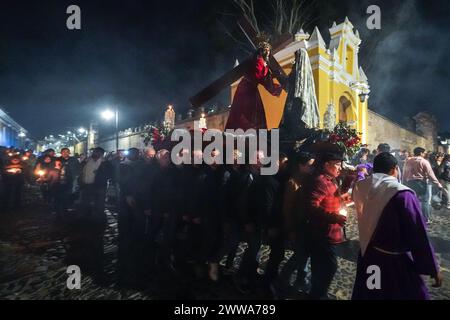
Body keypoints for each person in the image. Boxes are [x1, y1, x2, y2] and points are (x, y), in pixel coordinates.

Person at [352, 152, 442, 299]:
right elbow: (417, 233)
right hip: (394, 262)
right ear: (394, 169)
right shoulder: (402, 194)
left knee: (372, 291)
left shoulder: (360, 186)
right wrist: (432, 267)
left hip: (370, 256)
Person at [302, 151, 348, 299]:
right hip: (322, 232)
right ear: (326, 165)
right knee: (329, 267)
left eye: (341, 164)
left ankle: (317, 294)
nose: (340, 168)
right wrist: (333, 217)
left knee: (321, 267)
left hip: (329, 231)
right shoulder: (320, 181)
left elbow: (331, 198)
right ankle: (318, 295)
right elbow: (311, 207)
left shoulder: (331, 180)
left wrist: (343, 199)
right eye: (337, 165)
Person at [275, 151, 315, 298]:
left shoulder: (309, 180)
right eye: (310, 166)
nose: (312, 168)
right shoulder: (293, 183)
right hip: (297, 226)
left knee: (304, 255)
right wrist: (290, 228)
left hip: (306, 224)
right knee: (299, 256)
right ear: (301, 166)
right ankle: (282, 280)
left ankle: (301, 279)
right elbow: (287, 208)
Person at [225, 41, 283, 130]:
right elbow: (262, 77)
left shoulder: (257, 60)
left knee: (246, 112)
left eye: (268, 51)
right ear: (262, 51)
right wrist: (278, 87)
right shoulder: (259, 61)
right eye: (266, 51)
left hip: (247, 88)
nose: (268, 54)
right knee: (249, 113)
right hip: (248, 90)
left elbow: (264, 77)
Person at [403, 147, 442, 223]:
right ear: (421, 153)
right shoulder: (424, 162)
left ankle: (412, 217)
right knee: (425, 201)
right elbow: (431, 174)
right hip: (422, 183)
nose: (424, 154)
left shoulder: (408, 161)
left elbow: (405, 172)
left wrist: (404, 182)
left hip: (410, 183)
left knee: (412, 201)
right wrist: (438, 184)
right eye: (424, 153)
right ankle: (425, 219)